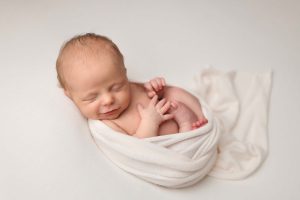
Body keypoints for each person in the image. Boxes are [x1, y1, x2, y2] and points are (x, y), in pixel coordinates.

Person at [56, 33, 208, 138]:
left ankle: (200, 119)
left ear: (124, 74)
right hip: (173, 144)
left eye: (116, 87)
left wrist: (155, 90)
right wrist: (150, 122)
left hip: (182, 120)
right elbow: (137, 147)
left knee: (174, 92)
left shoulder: (131, 88)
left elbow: (157, 97)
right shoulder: (109, 125)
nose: (108, 100)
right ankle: (190, 130)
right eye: (92, 97)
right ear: (69, 95)